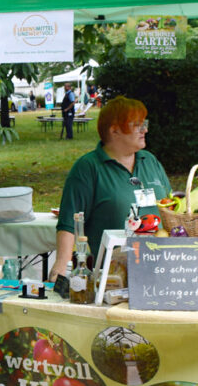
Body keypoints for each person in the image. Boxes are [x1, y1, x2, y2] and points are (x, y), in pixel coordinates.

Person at [49, 96, 171, 281]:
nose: (145, 130)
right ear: (115, 130)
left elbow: (172, 211)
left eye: (144, 123)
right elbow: (69, 224)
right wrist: (59, 271)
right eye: (137, 125)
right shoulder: (88, 168)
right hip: (116, 278)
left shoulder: (150, 161)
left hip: (165, 271)